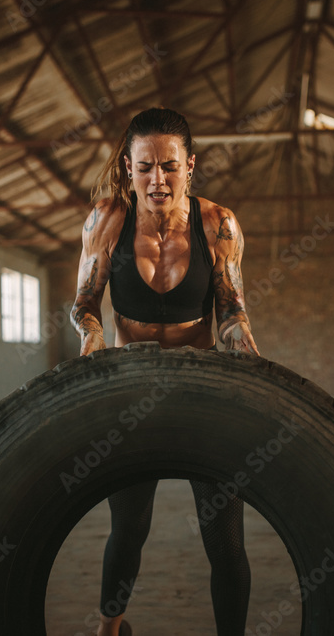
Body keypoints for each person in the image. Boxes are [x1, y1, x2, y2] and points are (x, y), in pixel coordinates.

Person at [71, 107, 259, 636]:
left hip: (203, 390)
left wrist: (242, 337)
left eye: (170, 167)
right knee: (129, 528)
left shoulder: (217, 223)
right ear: (129, 168)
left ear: (190, 165)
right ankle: (111, 629)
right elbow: (84, 303)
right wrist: (92, 333)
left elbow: (231, 307)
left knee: (224, 541)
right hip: (133, 390)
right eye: (145, 166)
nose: (158, 180)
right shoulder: (106, 219)